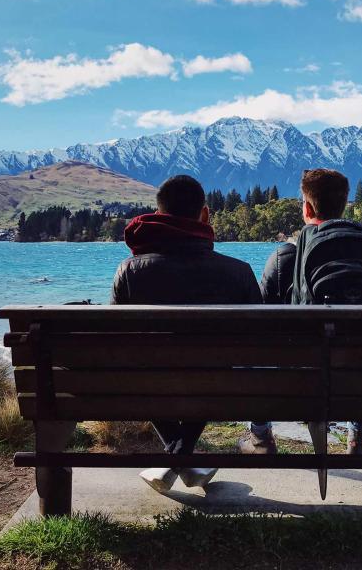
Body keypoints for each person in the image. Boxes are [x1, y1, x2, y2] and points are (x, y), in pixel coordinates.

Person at [111, 174, 262, 493]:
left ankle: (177, 458)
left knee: (142, 370)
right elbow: (258, 343)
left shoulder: (129, 271)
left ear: (159, 215)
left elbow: (116, 343)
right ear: (205, 215)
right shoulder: (239, 272)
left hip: (148, 384)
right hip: (219, 385)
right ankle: (183, 458)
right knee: (215, 368)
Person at [240, 168, 362, 455]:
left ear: (307, 207)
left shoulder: (283, 257)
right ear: (344, 206)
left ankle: (261, 437)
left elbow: (259, 328)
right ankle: (358, 441)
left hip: (300, 381)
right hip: (361, 382)